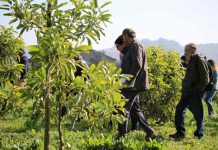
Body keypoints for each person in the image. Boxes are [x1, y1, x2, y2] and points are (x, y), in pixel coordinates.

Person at [117, 28, 156, 139]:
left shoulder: (136, 46)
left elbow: (137, 65)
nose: (123, 39)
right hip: (134, 84)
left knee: (123, 108)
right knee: (135, 110)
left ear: (126, 35)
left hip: (134, 85)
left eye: (123, 36)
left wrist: (128, 81)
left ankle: (121, 137)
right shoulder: (132, 46)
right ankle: (150, 132)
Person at [170, 43, 209, 139]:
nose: (184, 52)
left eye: (186, 50)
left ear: (192, 50)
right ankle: (180, 133)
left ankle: (199, 133)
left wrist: (196, 89)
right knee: (179, 110)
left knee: (198, 114)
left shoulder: (199, 60)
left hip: (194, 92)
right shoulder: (191, 60)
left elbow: (205, 79)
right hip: (187, 92)